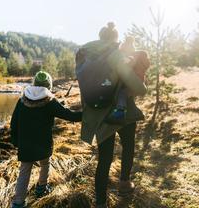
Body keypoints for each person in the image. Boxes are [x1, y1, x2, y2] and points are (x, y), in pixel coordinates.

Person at [76, 22, 147, 208]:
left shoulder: (83, 55)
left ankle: (100, 203)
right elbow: (139, 88)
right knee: (128, 145)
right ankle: (124, 183)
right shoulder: (115, 55)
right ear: (115, 38)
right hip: (122, 113)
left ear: (100, 37)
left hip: (98, 116)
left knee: (104, 160)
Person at [10, 71, 82, 208]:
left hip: (25, 144)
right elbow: (70, 116)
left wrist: (15, 141)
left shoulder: (22, 100)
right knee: (45, 164)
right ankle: (41, 189)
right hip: (43, 144)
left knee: (24, 172)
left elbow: (14, 123)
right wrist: (87, 114)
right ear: (48, 85)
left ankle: (18, 203)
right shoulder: (50, 101)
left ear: (34, 83)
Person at [107, 36, 150, 124]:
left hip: (133, 83)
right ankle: (134, 111)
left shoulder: (132, 56)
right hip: (138, 81)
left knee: (122, 93)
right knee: (127, 96)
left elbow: (131, 60)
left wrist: (126, 60)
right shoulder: (138, 55)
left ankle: (120, 112)